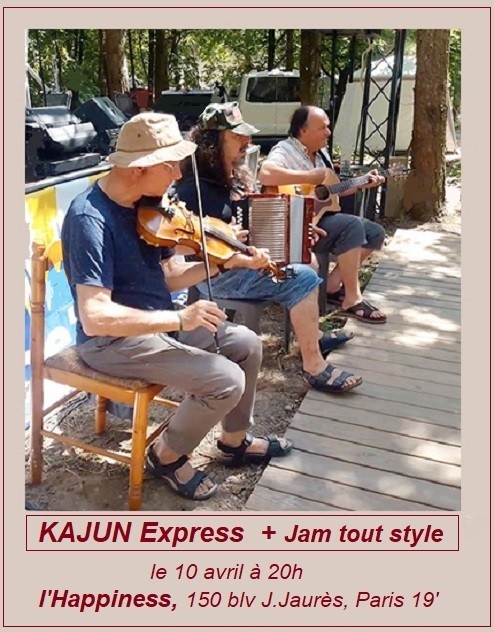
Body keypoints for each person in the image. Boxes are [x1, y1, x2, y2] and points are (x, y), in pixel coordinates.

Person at [60, 111, 294, 502]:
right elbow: (95, 316)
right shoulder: (90, 219)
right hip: (110, 342)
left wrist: (226, 262)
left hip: (159, 326)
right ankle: (165, 455)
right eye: (170, 165)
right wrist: (180, 317)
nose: (178, 174)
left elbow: (169, 276)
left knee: (247, 344)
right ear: (139, 168)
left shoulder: (149, 207)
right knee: (226, 379)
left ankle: (234, 441)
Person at [172, 101, 363, 395]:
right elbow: (180, 248)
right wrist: (222, 239)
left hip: (247, 262)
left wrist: (297, 229)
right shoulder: (193, 188)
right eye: (237, 136)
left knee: (307, 260)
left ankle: (312, 336)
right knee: (304, 276)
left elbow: (257, 221)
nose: (247, 141)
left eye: (246, 135)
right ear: (213, 142)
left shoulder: (233, 179)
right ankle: (314, 367)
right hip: (217, 275)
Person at [258, 105, 387, 324]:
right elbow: (266, 174)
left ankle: (331, 285)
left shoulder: (322, 153)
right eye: (322, 128)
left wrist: (361, 183)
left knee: (375, 233)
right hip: (294, 223)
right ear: (303, 130)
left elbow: (331, 190)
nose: (328, 132)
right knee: (352, 225)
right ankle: (352, 298)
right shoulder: (285, 149)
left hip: (319, 218)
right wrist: (309, 177)